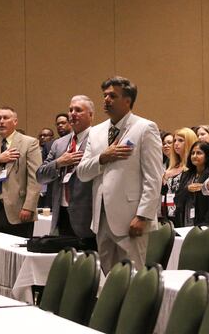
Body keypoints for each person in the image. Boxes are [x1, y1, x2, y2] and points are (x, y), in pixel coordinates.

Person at [77, 76, 163, 273]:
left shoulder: (145, 128)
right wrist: (102, 158)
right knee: (108, 279)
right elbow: (82, 173)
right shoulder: (96, 132)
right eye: (105, 95)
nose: (106, 100)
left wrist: (143, 216)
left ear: (127, 100)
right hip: (101, 218)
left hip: (131, 218)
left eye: (112, 96)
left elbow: (153, 177)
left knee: (132, 277)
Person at [37, 95, 96, 250]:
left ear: (91, 115)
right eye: (70, 110)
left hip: (87, 216)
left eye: (78, 110)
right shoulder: (59, 144)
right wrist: (59, 163)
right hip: (61, 213)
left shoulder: (99, 139)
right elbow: (40, 175)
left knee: (86, 268)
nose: (72, 114)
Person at [0, 107, 42, 237]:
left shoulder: (29, 143)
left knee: (19, 254)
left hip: (20, 209)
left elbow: (35, 178)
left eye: (5, 118)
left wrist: (29, 206)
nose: (1, 121)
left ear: (15, 121)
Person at [174, 141, 209, 227]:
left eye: (199, 153)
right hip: (185, 221)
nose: (194, 156)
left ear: (207, 155)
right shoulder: (186, 174)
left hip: (205, 222)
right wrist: (187, 189)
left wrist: (207, 222)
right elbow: (177, 199)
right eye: (192, 153)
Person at [162, 128, 197, 221]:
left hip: (185, 216)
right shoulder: (170, 167)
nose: (176, 144)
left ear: (189, 142)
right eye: (175, 140)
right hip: (168, 215)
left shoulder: (193, 168)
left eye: (180, 140)